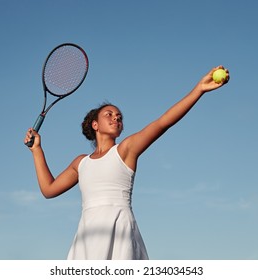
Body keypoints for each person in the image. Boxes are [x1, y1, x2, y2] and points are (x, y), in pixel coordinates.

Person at [24, 66, 229, 260]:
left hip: (120, 229)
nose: (116, 118)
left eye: (119, 117)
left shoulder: (125, 150)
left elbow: (163, 122)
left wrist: (199, 90)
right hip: (88, 234)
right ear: (95, 125)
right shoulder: (80, 163)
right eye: (109, 114)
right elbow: (48, 190)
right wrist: (37, 150)